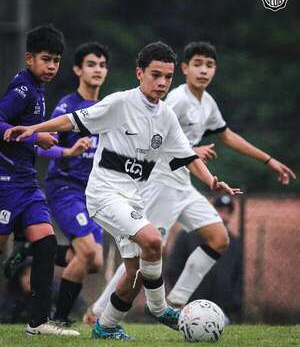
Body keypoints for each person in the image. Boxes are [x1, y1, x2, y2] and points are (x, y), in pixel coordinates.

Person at [4, 41, 241, 340]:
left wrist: (211, 181)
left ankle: (106, 326)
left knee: (136, 273)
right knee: (153, 240)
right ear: (139, 73)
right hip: (104, 195)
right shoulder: (120, 103)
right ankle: (161, 308)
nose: (162, 83)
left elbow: (188, 156)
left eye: (167, 77)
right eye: (155, 75)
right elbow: (72, 121)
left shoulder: (166, 115)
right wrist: (33, 129)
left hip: (133, 199)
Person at [86, 41, 296, 318]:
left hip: (184, 185)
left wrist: (268, 159)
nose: (203, 71)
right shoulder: (176, 99)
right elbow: (155, 137)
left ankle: (175, 302)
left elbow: (227, 135)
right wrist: (192, 150)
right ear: (184, 69)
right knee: (146, 252)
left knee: (219, 239)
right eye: (197, 64)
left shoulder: (206, 102)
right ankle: (99, 310)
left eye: (209, 65)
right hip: (160, 183)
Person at [0, 24, 79, 336]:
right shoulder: (21, 91)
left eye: (56, 60)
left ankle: (37, 323)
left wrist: (64, 150)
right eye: (46, 59)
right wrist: (37, 138)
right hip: (5, 183)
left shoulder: (38, 91)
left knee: (46, 242)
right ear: (28, 58)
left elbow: (35, 139)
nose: (51, 66)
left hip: (26, 183)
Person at [41, 42, 109, 324]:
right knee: (89, 252)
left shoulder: (107, 109)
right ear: (78, 69)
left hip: (93, 193)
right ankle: (58, 320)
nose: (98, 70)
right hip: (65, 188)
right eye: (92, 64)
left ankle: (38, 252)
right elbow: (42, 146)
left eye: (102, 65)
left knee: (95, 262)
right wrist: (68, 152)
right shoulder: (68, 107)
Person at [165, 195, 243, 323]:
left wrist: (233, 302)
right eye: (219, 210)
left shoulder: (234, 242)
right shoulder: (187, 235)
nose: (223, 216)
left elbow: (238, 276)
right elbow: (173, 268)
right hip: (190, 307)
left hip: (222, 310)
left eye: (227, 212)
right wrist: (182, 299)